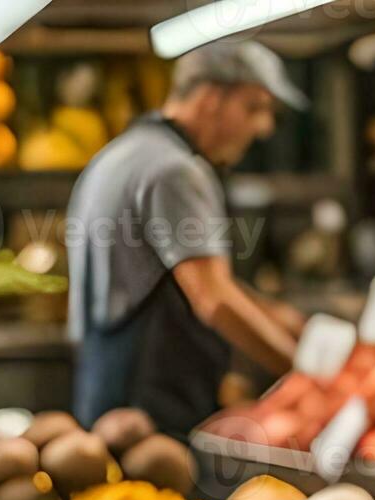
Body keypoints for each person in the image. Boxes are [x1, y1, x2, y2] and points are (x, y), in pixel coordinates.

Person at [67, 40, 306, 438]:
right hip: (150, 412)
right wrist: (307, 373)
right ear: (211, 98)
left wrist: (274, 316)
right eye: (253, 107)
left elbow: (176, 276)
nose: (263, 127)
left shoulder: (120, 155)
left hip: (106, 392)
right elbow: (213, 299)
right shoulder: (174, 170)